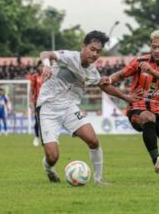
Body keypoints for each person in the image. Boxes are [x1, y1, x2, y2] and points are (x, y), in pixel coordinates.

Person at [38, 30, 139, 184]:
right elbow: (46, 53)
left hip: (70, 108)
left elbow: (104, 86)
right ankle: (49, 169)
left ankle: (98, 180)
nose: (95, 54)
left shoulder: (92, 71)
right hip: (48, 108)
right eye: (92, 49)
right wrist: (46, 66)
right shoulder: (69, 56)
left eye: (98, 52)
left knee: (93, 140)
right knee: (53, 157)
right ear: (83, 46)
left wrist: (126, 98)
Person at [107, 30, 159, 183]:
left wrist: (152, 71)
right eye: (153, 46)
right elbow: (120, 74)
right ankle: (156, 159)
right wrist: (109, 80)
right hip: (137, 107)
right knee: (148, 117)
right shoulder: (139, 62)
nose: (156, 50)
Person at [31, 60, 44, 146]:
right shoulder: (35, 77)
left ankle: (49, 139)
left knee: (48, 121)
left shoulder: (49, 75)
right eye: (40, 66)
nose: (42, 68)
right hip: (37, 102)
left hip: (47, 102)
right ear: (38, 67)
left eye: (43, 66)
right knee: (37, 120)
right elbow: (31, 90)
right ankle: (36, 137)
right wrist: (30, 101)